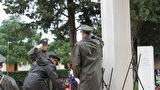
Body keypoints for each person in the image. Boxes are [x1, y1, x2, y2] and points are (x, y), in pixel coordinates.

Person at [72, 24, 103, 90]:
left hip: (84, 77)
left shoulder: (79, 45)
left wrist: (77, 76)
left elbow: (76, 65)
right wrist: (94, 37)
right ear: (90, 33)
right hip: (96, 76)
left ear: (82, 33)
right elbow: (102, 42)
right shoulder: (97, 44)